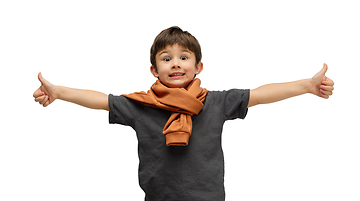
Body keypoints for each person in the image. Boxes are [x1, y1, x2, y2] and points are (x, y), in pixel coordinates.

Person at [33, 26, 334, 201]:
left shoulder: (215, 102)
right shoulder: (141, 105)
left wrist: (306, 85)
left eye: (183, 57)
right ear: (155, 69)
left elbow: (260, 94)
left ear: (197, 67)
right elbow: (101, 100)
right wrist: (58, 92)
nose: (175, 63)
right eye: (167, 58)